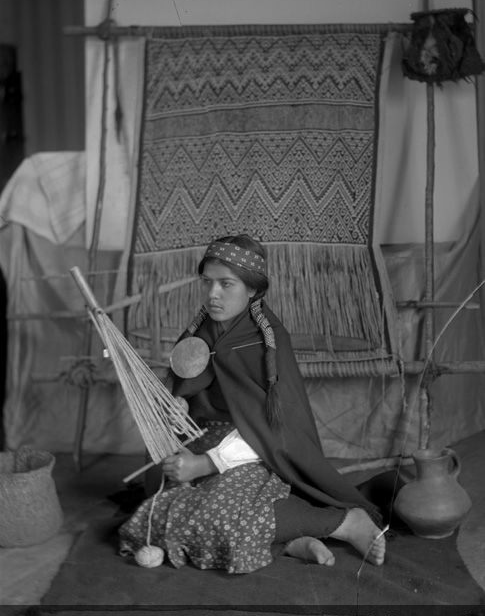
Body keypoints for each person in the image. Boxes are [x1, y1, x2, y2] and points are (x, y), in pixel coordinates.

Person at [119, 234, 386, 573]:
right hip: (199, 441)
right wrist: (179, 409)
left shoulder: (268, 344)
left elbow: (275, 429)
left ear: (253, 290)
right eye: (207, 282)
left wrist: (207, 464)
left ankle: (343, 523)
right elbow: (183, 389)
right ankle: (290, 541)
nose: (213, 294)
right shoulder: (199, 332)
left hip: (251, 452)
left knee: (219, 513)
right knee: (153, 518)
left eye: (226, 284)